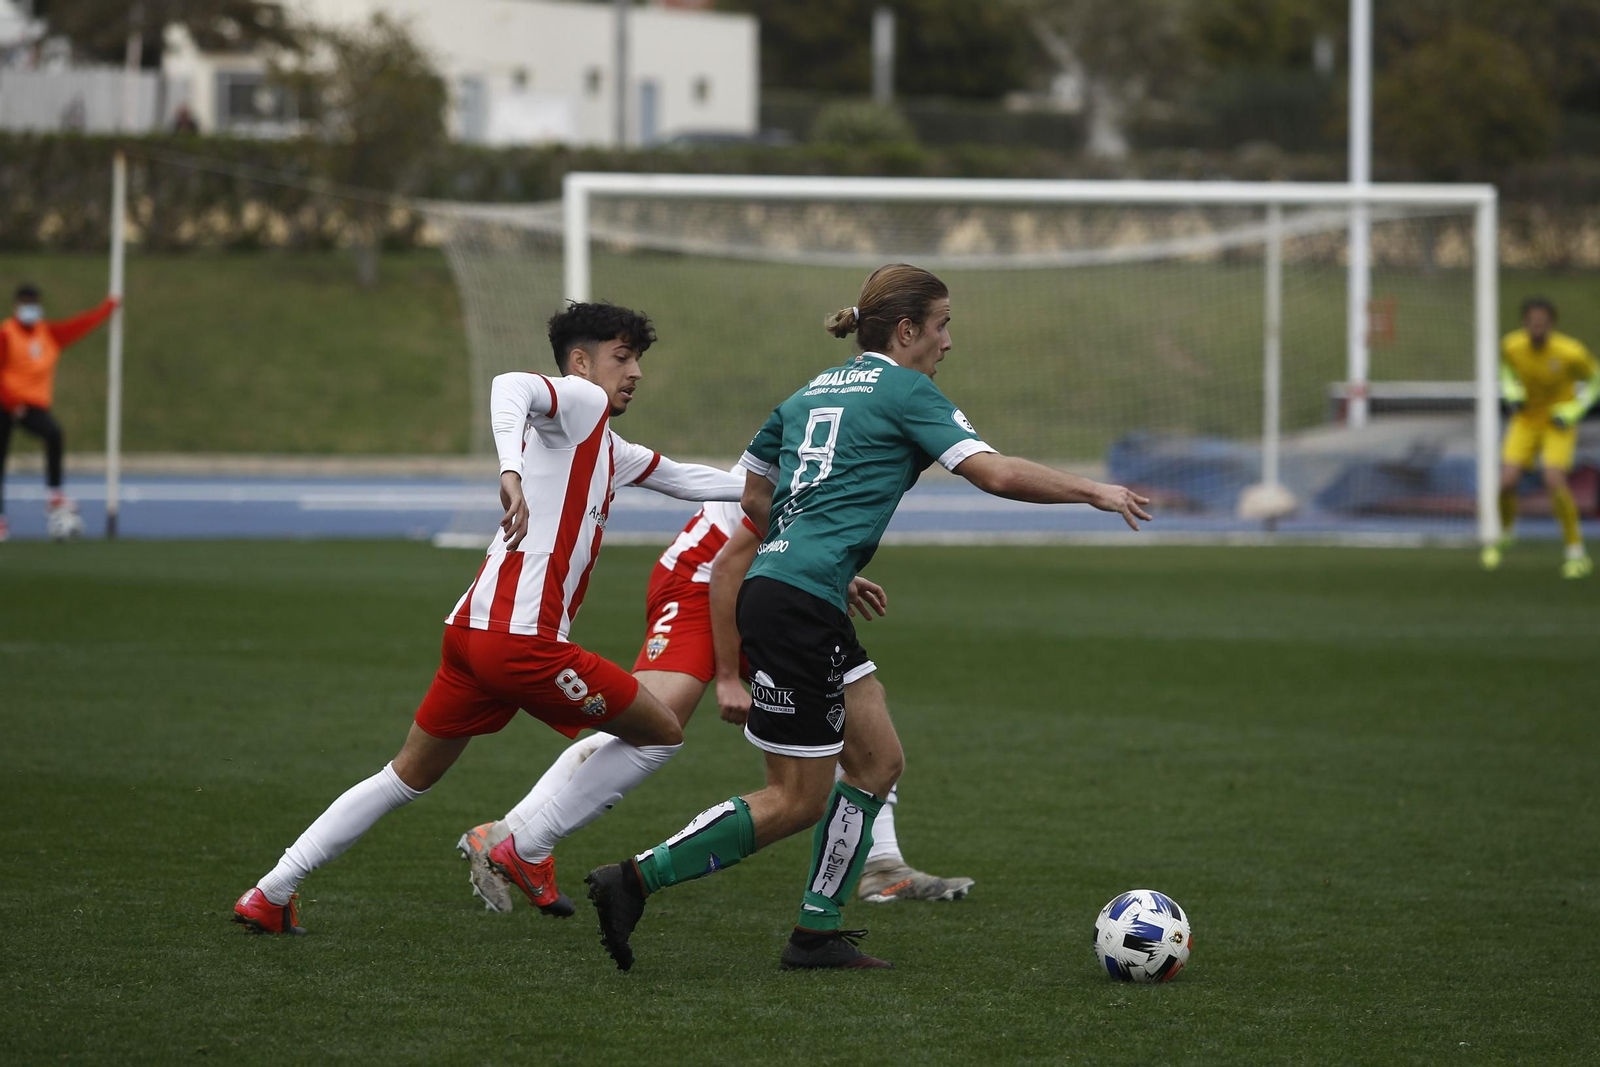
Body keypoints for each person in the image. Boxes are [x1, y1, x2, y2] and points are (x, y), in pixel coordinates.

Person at [583, 263, 1152, 971]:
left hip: (790, 590)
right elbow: (995, 473)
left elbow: (753, 492)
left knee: (879, 761)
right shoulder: (907, 391)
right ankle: (634, 879)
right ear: (907, 330)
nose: (948, 342)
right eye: (942, 326)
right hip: (796, 604)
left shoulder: (809, 391)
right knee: (796, 799)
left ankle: (815, 933)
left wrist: (814, 553)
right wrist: (1094, 490)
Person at [232, 302, 746, 934]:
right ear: (581, 363)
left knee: (404, 776)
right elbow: (511, 385)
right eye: (622, 357)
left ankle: (271, 891)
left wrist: (781, 488)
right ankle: (526, 847)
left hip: (470, 634)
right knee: (662, 732)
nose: (635, 372)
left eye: (638, 359)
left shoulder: (606, 447)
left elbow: (690, 480)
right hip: (522, 643)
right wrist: (509, 470)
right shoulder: (581, 402)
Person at [455, 487, 974, 913]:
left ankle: (882, 865)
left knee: (853, 713)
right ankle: (508, 833)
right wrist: (728, 677)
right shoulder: (818, 439)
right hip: (699, 583)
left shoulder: (833, 433)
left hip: (770, 587)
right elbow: (731, 560)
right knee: (650, 724)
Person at [1481, 297, 1599, 579]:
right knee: (1506, 481)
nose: (1537, 328)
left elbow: (1596, 380)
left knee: (1553, 480)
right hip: (1525, 421)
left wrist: (1574, 409)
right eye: (1532, 323)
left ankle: (1575, 552)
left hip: (1557, 424)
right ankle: (1505, 535)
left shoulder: (1570, 352)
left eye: (1542, 323)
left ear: (1551, 324)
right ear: (1524, 324)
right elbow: (1506, 369)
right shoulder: (1512, 345)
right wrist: (1512, 391)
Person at [0, 283, 118, 542]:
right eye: (25, 303)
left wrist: (107, 309)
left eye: (33, 303)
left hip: (31, 405)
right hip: (5, 402)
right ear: (16, 306)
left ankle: (54, 494)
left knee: (54, 433)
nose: (30, 308)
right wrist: (10, 402)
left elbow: (79, 326)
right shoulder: (6, 334)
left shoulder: (48, 334)